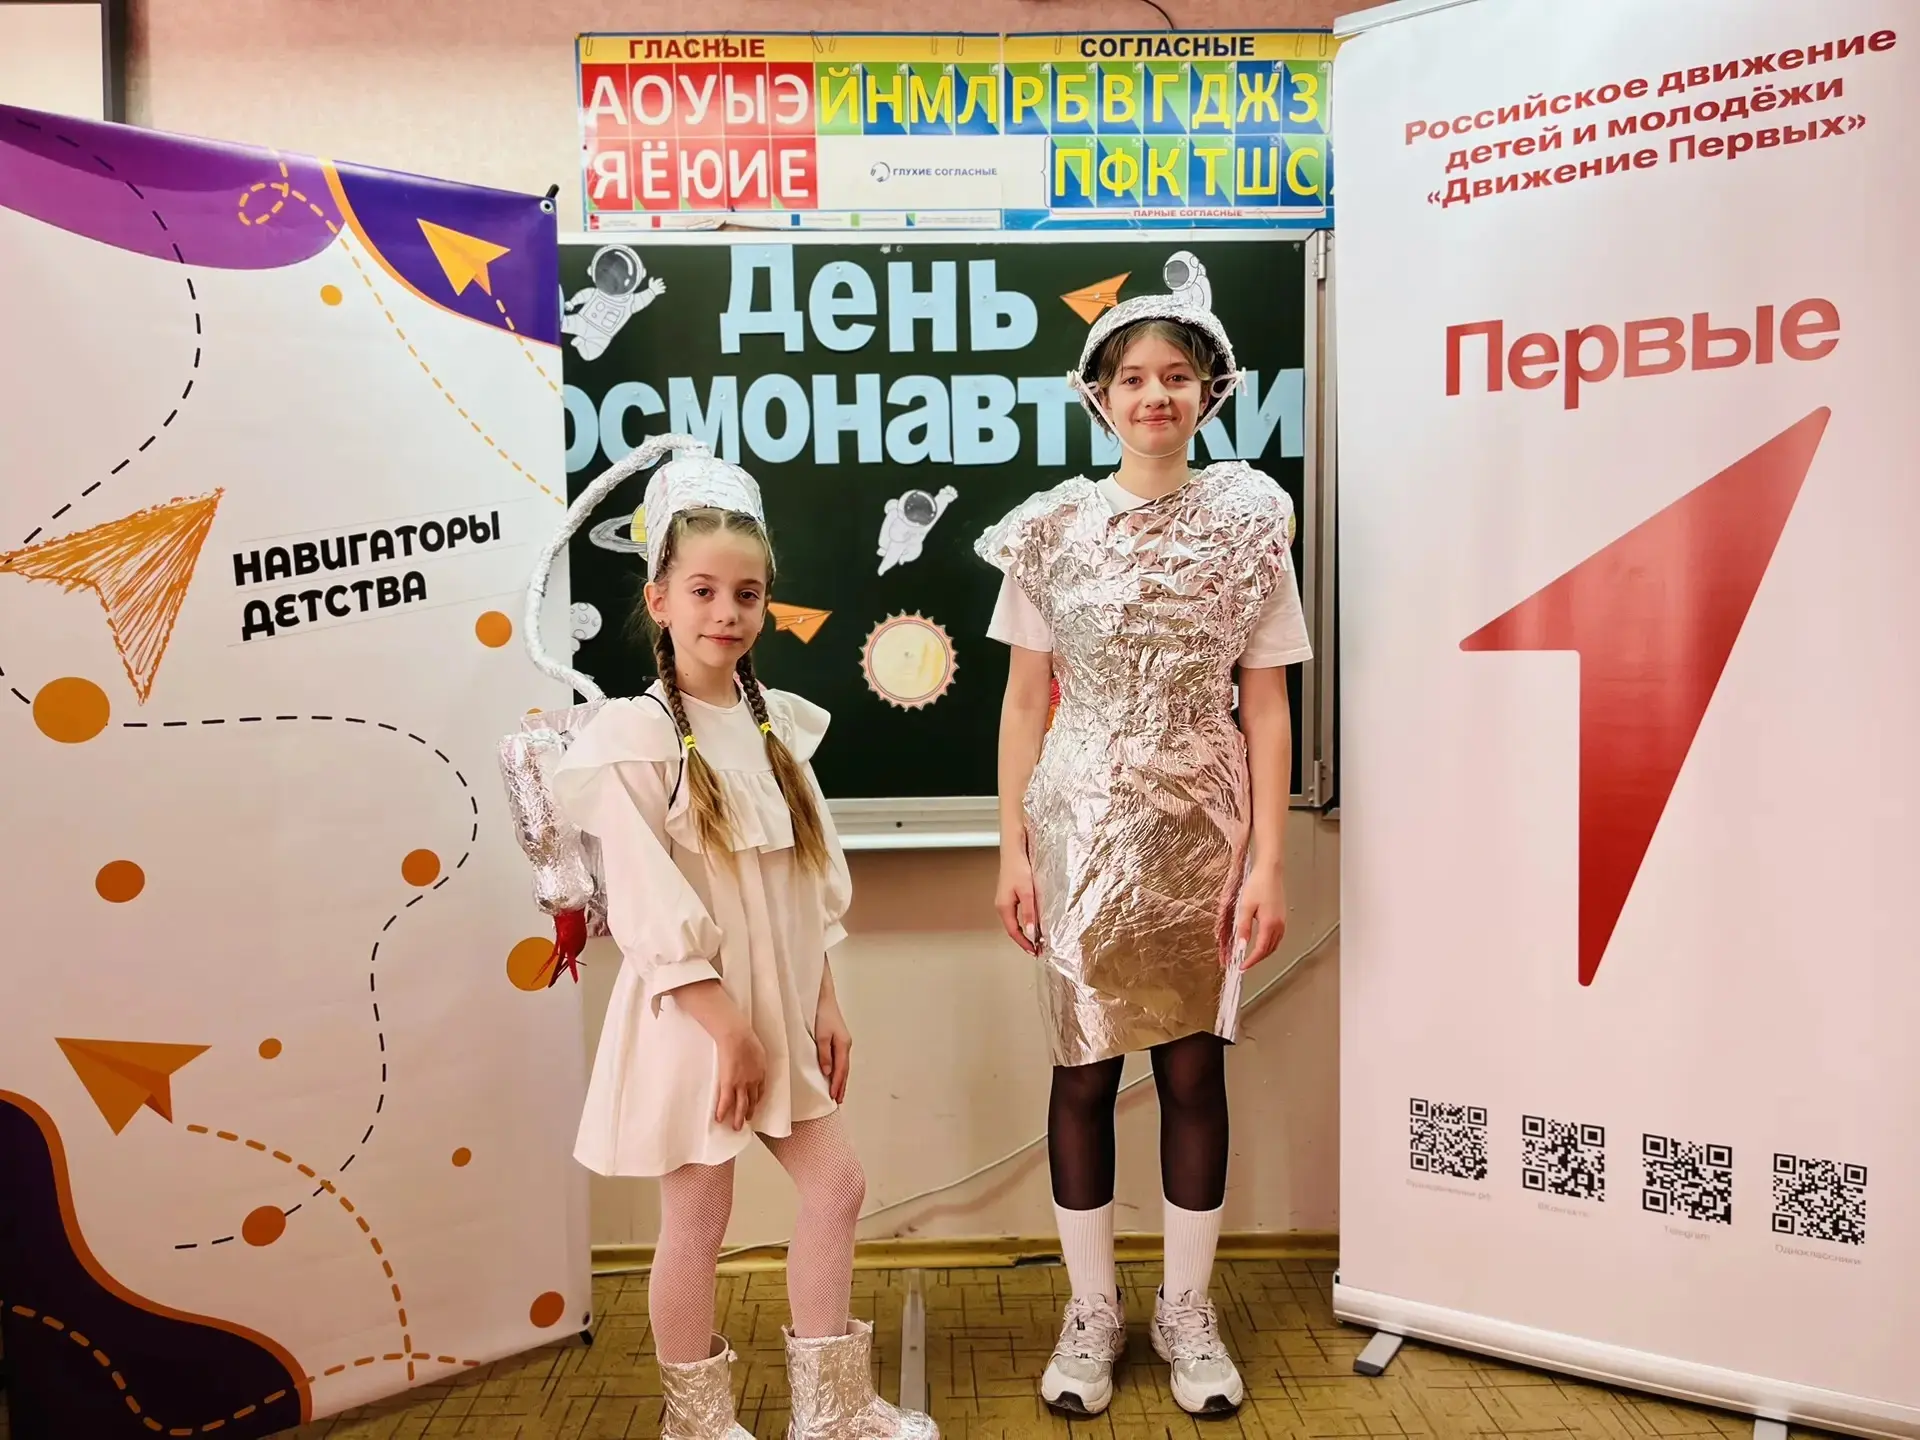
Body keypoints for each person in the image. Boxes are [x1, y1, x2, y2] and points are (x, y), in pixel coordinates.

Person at [542, 439, 937, 1440]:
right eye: (705, 591)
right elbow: (645, 904)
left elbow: (805, 885)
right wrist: (729, 1029)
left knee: (836, 1186)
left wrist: (823, 1001)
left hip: (777, 1007)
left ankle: (831, 1412)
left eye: (747, 594)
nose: (727, 612)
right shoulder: (635, 737)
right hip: (698, 1020)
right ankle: (697, 1423)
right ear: (660, 598)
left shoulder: (776, 729)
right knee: (698, 1216)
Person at [976, 277, 1312, 1418]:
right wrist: (1012, 848)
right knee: (1081, 1069)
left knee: (1192, 1072)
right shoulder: (1051, 530)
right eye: (1132, 379)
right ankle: (1090, 1314)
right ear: (1100, 397)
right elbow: (1024, 702)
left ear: (1209, 392)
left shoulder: (1253, 526)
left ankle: (1185, 1310)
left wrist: (1269, 861)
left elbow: (1268, 706)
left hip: (1206, 824)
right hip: (1078, 823)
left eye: (1175, 377)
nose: (1153, 395)